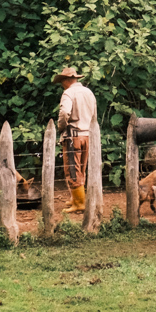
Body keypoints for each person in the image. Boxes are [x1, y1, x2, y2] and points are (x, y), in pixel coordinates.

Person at [55, 66, 97, 214]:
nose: (61, 84)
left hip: (73, 136)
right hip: (88, 134)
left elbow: (65, 112)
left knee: (72, 169)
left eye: (61, 81)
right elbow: (94, 115)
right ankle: (76, 198)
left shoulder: (68, 93)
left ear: (66, 81)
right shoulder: (89, 92)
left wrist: (61, 127)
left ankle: (79, 203)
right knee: (82, 168)